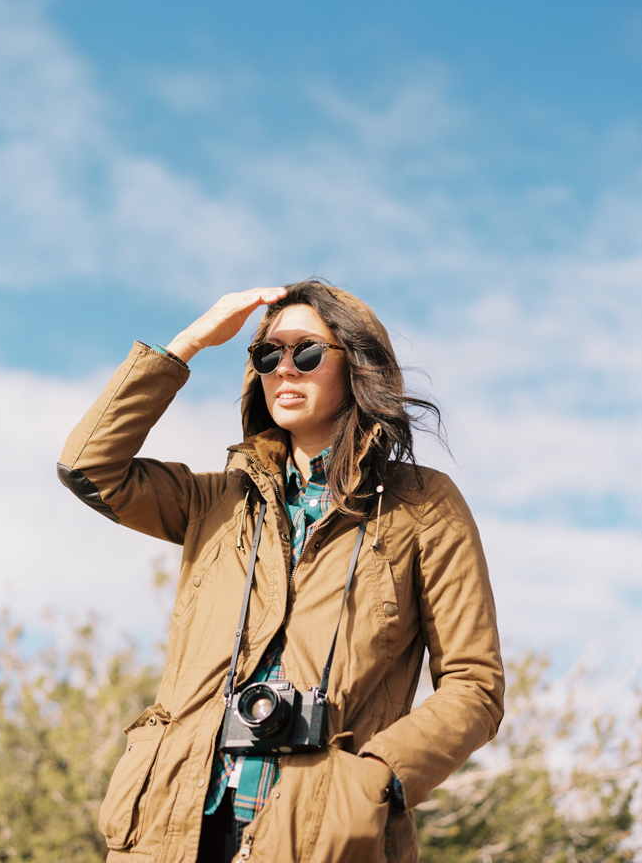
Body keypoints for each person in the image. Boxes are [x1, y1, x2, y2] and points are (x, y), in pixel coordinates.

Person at [57, 281, 504, 863]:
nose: (283, 369)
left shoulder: (422, 506)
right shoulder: (211, 502)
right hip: (167, 834)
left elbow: (475, 684)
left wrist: (373, 779)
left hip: (324, 839)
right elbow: (89, 465)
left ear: (357, 365)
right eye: (267, 355)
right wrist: (187, 344)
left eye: (307, 352)